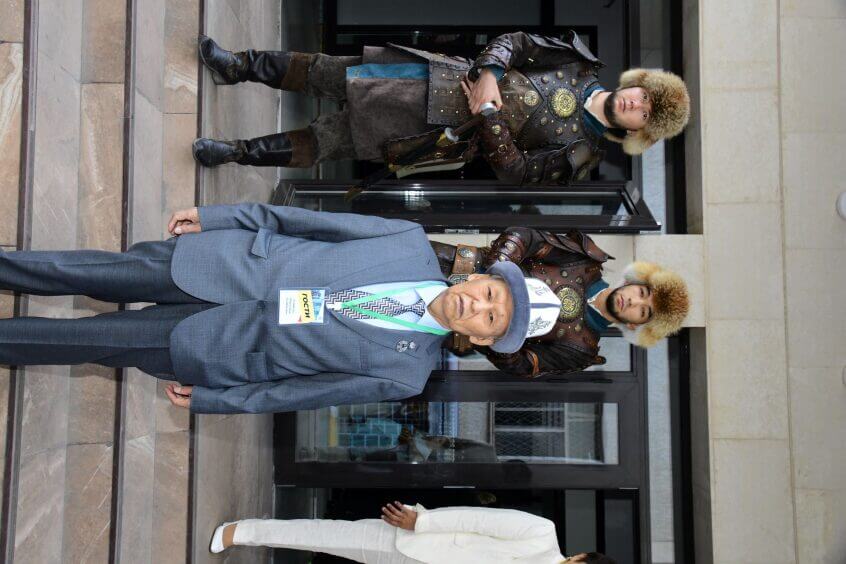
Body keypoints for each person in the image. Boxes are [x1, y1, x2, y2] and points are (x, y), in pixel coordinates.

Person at [0, 204, 562, 414]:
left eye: (491, 318)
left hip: (221, 346)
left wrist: (220, 400)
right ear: (482, 275)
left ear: (482, 339)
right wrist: (221, 218)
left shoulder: (405, 373)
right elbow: (306, 222)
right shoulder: (407, 239)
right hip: (223, 262)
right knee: (82, 270)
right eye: (491, 293)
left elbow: (301, 394)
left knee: (89, 341)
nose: (479, 304)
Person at [192, 31, 689, 186]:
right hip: (437, 77)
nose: (635, 103)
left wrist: (490, 118)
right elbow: (516, 42)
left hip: (437, 134)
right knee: (324, 71)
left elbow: (516, 172)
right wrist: (490, 71)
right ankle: (238, 65)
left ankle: (236, 152)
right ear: (638, 85)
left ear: (638, 130)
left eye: (645, 113)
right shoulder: (579, 64)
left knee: (326, 141)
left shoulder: (582, 154)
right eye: (644, 96)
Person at [432, 227, 690, 377]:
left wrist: (498, 335)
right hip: (454, 264)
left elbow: (523, 365)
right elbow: (525, 237)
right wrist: (495, 272)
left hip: (456, 328)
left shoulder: (581, 350)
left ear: (635, 325)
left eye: (643, 311)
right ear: (635, 282)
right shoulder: (585, 262)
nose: (633, 302)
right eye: (642, 293)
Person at [209, 501, 617, 564]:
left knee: (329, 549)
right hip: (418, 541)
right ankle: (241, 532)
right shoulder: (543, 533)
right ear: (580, 558)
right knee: (328, 537)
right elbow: (478, 519)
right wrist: (421, 522)